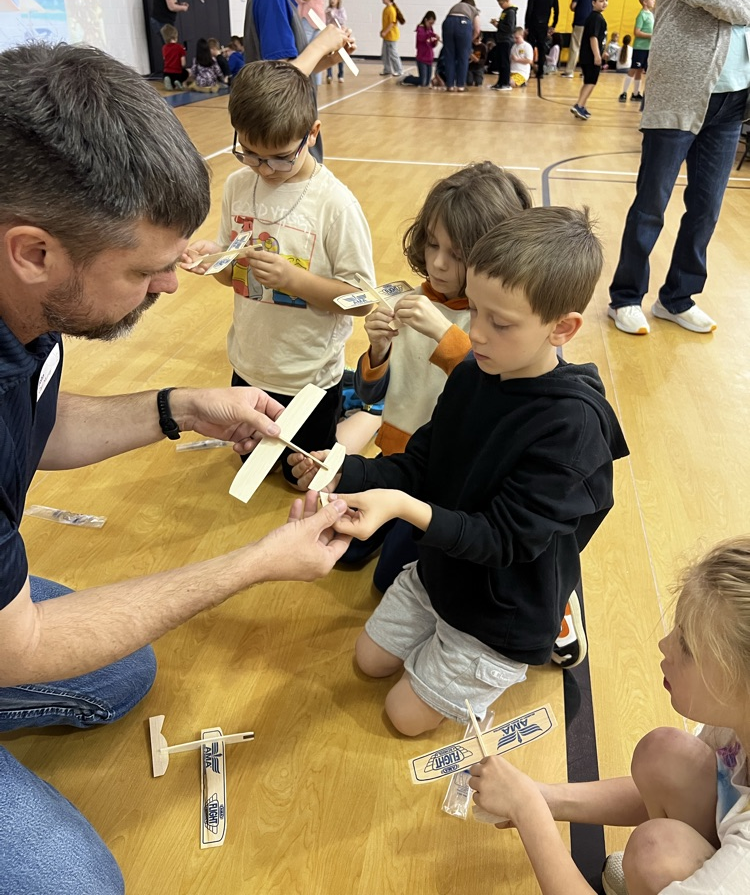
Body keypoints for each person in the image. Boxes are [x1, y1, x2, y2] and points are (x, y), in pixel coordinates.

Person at [0, 40, 353, 894]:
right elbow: (23, 647)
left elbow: (35, 426)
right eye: (147, 271)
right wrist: (255, 564)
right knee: (81, 885)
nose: (168, 289)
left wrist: (179, 408)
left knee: (122, 671)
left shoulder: (25, 307)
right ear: (35, 251)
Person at [291, 206, 629, 736]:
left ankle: (540, 632)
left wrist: (400, 507)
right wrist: (345, 473)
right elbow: (426, 461)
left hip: (503, 604)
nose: (476, 332)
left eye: (501, 322)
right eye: (474, 309)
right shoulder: (475, 372)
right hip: (444, 569)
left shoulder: (574, 428)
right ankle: (444, 646)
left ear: (562, 328)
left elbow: (500, 540)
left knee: (403, 719)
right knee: (369, 659)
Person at [469, 535, 750, 895]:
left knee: (655, 854)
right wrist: (541, 796)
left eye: (686, 646)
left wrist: (528, 810)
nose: (664, 645)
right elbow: (666, 784)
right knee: (664, 754)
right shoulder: (739, 711)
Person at [181, 60, 375, 485]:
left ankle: (365, 414)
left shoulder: (334, 204)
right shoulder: (237, 185)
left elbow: (362, 300)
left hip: (306, 375)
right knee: (252, 464)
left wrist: (294, 281)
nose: (264, 169)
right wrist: (214, 259)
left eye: (281, 159)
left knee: (301, 476)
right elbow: (231, 275)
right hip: (249, 363)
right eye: (249, 154)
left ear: (313, 135)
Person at [349, 162, 533, 585]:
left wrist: (444, 333)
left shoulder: (494, 321)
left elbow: (492, 397)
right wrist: (378, 350)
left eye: (458, 255)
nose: (438, 264)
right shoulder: (411, 298)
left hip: (449, 473)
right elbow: (369, 392)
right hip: (398, 453)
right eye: (432, 244)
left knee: (388, 580)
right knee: (344, 543)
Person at [608, 0, 750, 336]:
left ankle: (677, 298)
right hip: (682, 94)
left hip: (732, 97)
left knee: (706, 208)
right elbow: (729, 4)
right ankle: (626, 297)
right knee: (652, 203)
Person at [242, 0, 359, 163]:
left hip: (289, 138)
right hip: (280, 144)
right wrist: (320, 43)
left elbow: (291, 70)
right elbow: (280, 82)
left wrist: (327, 57)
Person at [571, 0, 609, 120]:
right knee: (591, 82)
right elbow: (593, 38)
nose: (604, 3)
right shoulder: (595, 18)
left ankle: (580, 105)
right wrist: (597, 56)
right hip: (591, 57)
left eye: (606, 0)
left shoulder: (596, 17)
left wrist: (603, 52)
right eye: (601, 1)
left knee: (588, 81)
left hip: (589, 56)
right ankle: (579, 106)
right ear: (593, 3)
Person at [619, 0, 655, 102]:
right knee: (634, 69)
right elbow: (637, 32)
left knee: (640, 71)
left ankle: (635, 93)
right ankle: (623, 92)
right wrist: (651, 36)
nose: (654, 1)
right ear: (645, 2)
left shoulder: (651, 14)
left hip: (648, 48)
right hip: (640, 48)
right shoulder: (641, 15)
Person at [442, 0, 481, 92]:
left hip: (448, 23)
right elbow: (477, 29)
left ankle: (450, 86)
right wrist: (470, 40)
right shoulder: (473, 9)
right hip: (463, 24)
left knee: (449, 57)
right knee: (463, 57)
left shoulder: (456, 6)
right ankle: (460, 86)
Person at [525, 0, 560, 83]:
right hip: (544, 24)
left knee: (530, 47)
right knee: (541, 48)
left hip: (533, 23)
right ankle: (540, 72)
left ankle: (529, 70)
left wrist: (526, 25)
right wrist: (553, 25)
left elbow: (529, 9)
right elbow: (557, 10)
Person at [563, 0, 595, 77]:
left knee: (575, 46)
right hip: (592, 21)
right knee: (589, 48)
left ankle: (569, 71)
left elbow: (573, 5)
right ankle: (586, 72)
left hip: (581, 21)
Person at [489, 0, 517, 91]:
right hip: (501, 39)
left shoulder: (511, 12)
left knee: (505, 63)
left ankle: (505, 83)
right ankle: (500, 82)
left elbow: (510, 28)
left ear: (507, 0)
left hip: (506, 40)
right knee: (500, 62)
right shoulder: (505, 12)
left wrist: (499, 24)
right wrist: (497, 24)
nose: (501, 6)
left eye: (501, 4)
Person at [380, 0, 405, 76]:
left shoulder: (391, 10)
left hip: (391, 36)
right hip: (386, 36)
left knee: (393, 54)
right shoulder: (386, 9)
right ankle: (387, 69)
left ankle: (399, 70)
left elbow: (392, 23)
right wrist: (383, 31)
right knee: (385, 54)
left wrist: (385, 32)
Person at [325, 0, 347, 83]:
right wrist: (329, 15)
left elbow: (343, 20)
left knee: (340, 55)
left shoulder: (341, 10)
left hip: (339, 35)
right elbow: (326, 21)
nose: (332, 1)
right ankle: (329, 75)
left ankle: (340, 74)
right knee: (329, 55)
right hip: (330, 35)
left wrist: (334, 15)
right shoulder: (328, 10)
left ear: (338, 0)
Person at [160, 23, 188, 90]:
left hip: (166, 71)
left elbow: (164, 59)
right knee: (186, 73)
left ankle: (168, 79)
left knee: (170, 81)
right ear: (175, 36)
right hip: (177, 72)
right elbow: (183, 63)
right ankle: (178, 81)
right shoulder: (180, 47)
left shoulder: (164, 48)